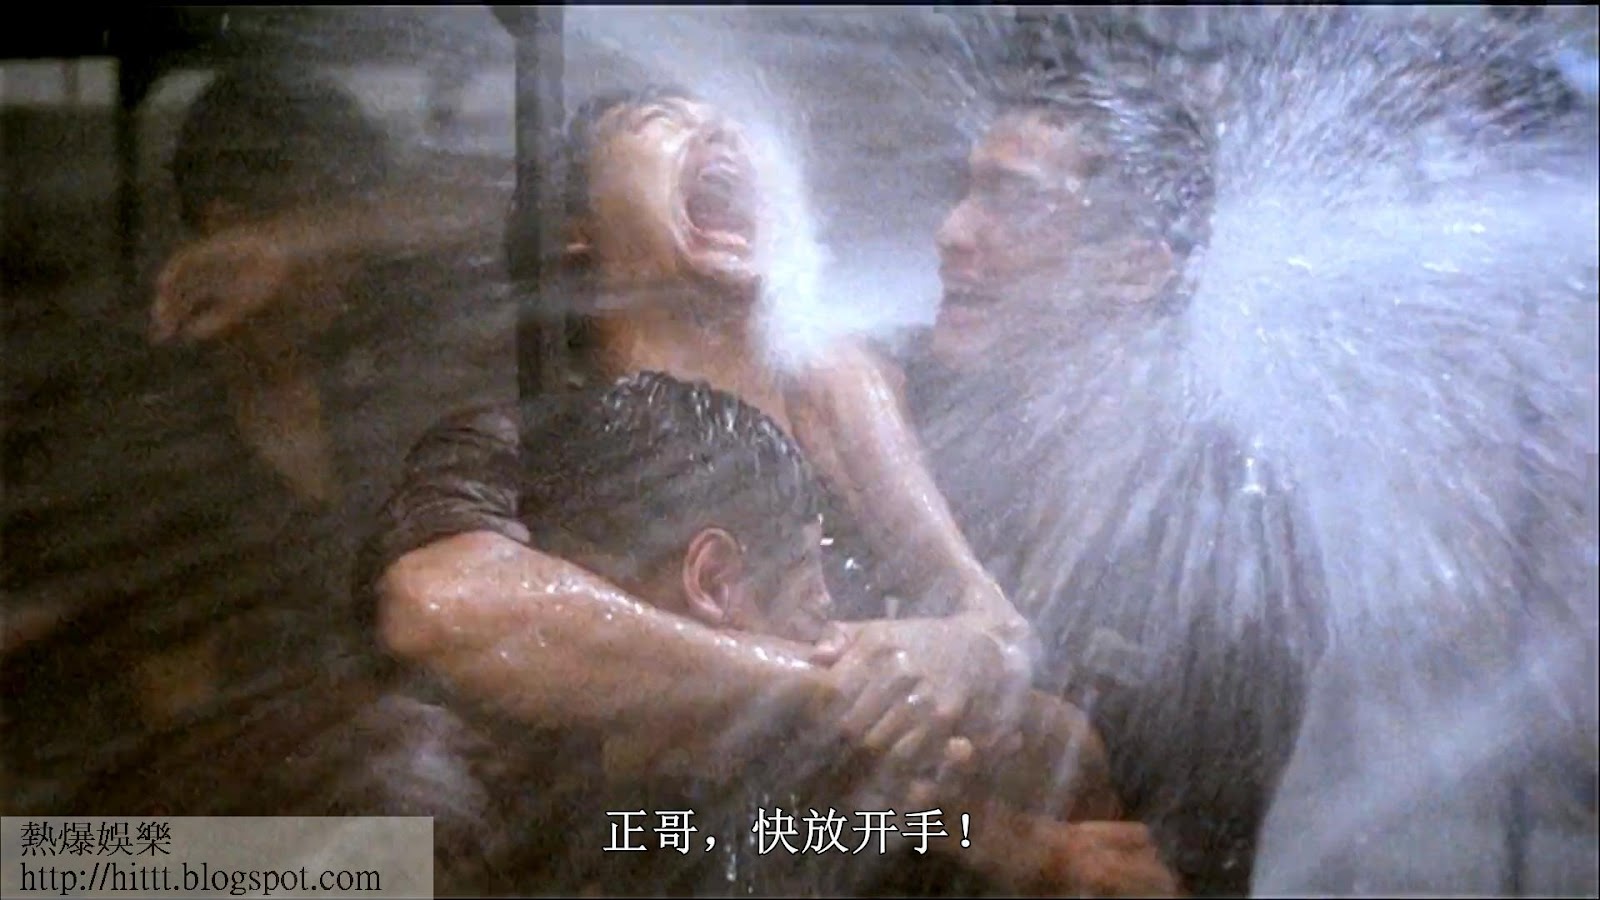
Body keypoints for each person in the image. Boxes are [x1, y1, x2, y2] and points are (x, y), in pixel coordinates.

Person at [362, 85, 1041, 795]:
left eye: (729, 120)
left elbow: (1001, 638)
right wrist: (822, 688)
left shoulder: (848, 400)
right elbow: (438, 605)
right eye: (663, 117)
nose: (721, 130)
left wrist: (976, 655)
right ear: (575, 230)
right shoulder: (529, 444)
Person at [905, 55, 1327, 896]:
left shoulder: (1229, 528)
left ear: (1137, 268)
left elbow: (1171, 879)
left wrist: (971, 825)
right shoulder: (922, 425)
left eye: (1013, 202)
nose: (954, 231)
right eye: (966, 191)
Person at [133, 64, 514, 722]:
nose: (352, 258)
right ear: (229, 230)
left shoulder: (378, 381)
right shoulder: (158, 438)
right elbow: (165, 694)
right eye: (324, 219)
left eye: (351, 226)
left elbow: (506, 207)